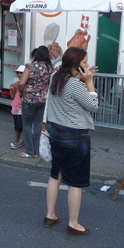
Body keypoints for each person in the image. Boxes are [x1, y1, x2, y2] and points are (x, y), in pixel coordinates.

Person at [44, 47, 98, 236]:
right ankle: (73, 224)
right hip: (75, 137)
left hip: (56, 133)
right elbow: (93, 106)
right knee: (76, 182)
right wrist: (89, 82)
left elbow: (68, 95)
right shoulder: (75, 85)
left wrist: (82, 78)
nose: (87, 65)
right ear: (75, 65)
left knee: (55, 175)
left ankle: (50, 215)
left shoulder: (56, 77)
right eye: (84, 62)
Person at [18, 46, 55, 158]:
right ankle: (36, 152)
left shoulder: (30, 66)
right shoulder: (50, 68)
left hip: (29, 99)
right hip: (43, 100)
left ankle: (30, 151)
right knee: (38, 125)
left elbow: (21, 83)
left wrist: (21, 93)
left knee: (27, 125)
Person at [9, 65, 25, 149]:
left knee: (19, 125)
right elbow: (12, 97)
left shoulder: (27, 84)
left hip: (22, 108)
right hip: (15, 106)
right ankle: (17, 139)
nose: (19, 75)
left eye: (21, 73)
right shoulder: (15, 84)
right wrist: (11, 89)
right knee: (16, 124)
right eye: (18, 73)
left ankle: (18, 140)